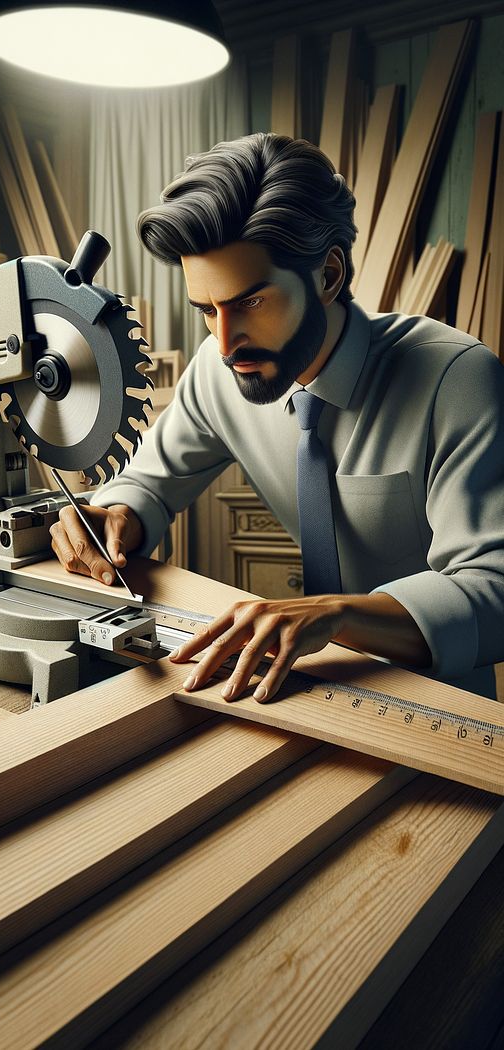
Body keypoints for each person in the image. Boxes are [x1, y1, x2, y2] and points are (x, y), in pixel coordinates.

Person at [50, 133, 504, 701]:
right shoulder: (223, 372)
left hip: (443, 706)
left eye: (250, 302)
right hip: (306, 692)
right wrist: (116, 517)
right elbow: (147, 484)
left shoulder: (455, 380)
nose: (224, 341)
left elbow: (495, 593)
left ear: (329, 275)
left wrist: (336, 616)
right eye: (206, 311)